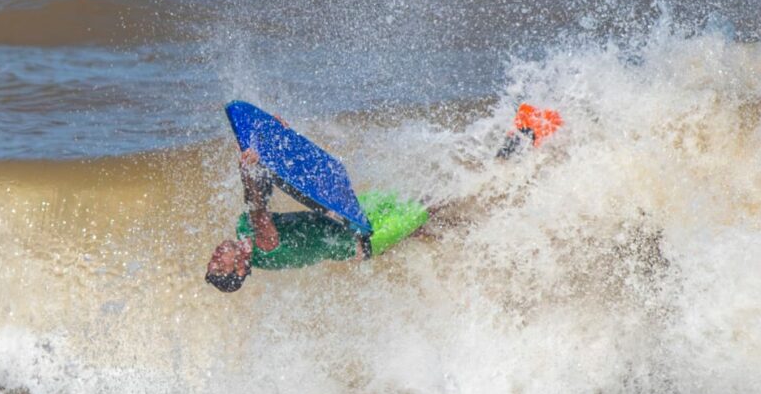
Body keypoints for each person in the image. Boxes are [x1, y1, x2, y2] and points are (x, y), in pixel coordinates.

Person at [205, 103, 563, 293]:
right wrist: (248, 176)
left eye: (212, 261)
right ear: (241, 269)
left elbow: (272, 185)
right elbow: (261, 212)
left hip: (356, 214)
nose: (216, 255)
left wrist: (275, 142)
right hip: (369, 236)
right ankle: (523, 141)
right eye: (220, 264)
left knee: (439, 221)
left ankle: (503, 225)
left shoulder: (242, 229)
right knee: (437, 200)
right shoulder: (265, 250)